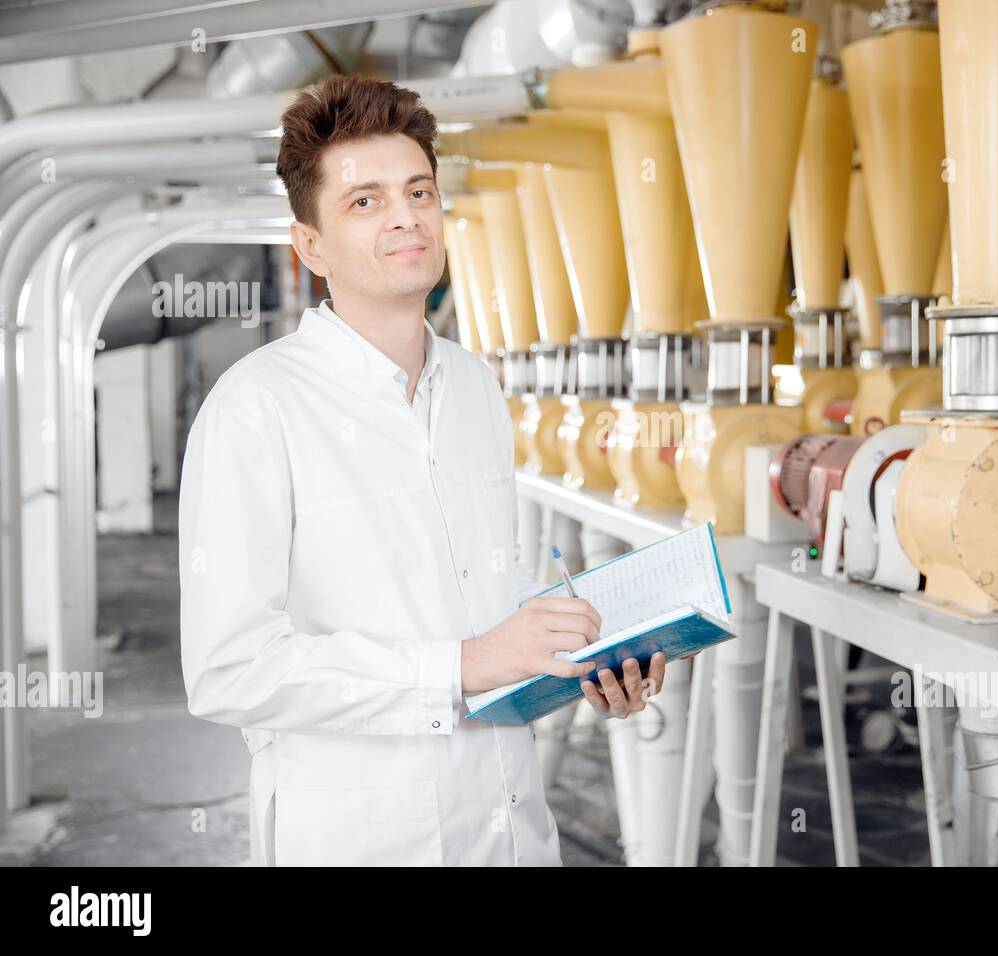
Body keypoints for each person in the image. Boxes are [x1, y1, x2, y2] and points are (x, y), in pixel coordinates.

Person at [178, 73, 666, 866]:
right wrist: (464, 664)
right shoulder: (256, 408)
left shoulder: (474, 385)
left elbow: (483, 604)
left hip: (511, 832)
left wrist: (580, 663)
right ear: (310, 245)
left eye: (420, 191)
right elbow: (231, 670)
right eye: (364, 201)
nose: (405, 216)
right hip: (366, 839)